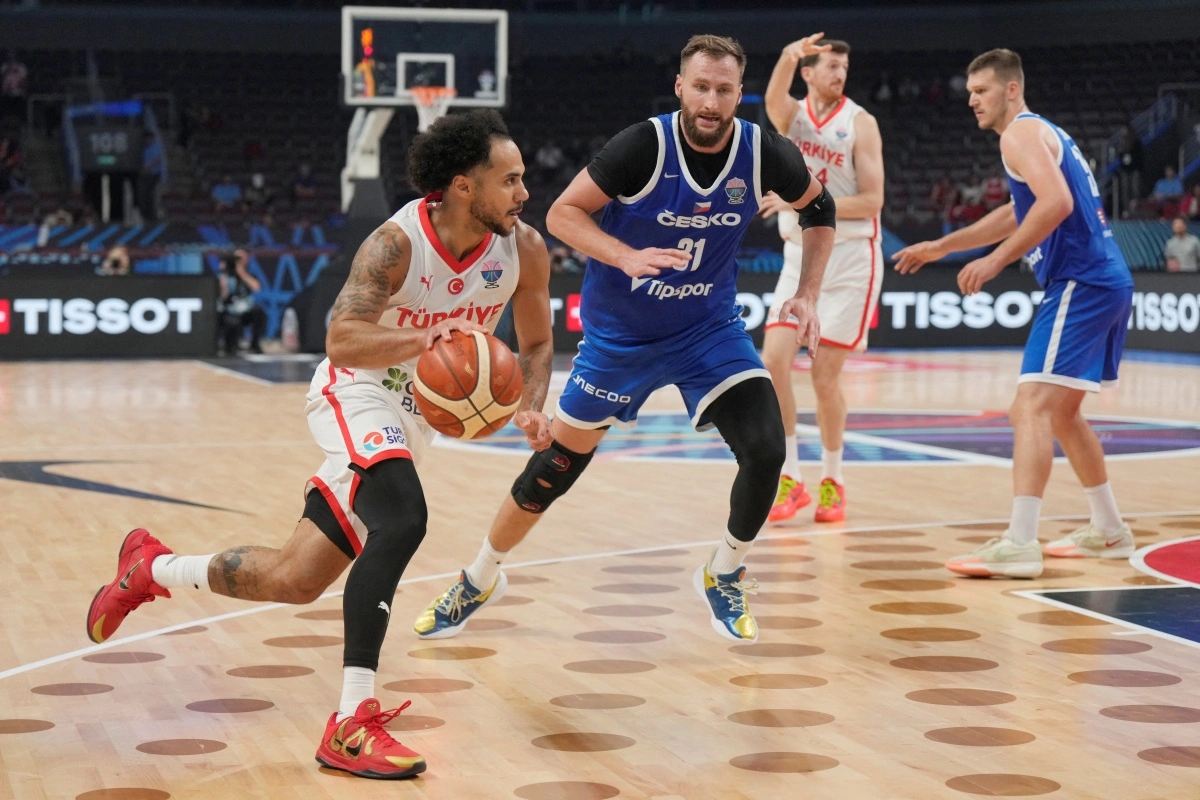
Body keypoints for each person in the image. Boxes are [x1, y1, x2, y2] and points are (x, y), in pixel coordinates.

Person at [85, 110, 554, 779]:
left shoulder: (523, 249)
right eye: (509, 180)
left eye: (522, 178)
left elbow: (536, 343)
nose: (524, 192)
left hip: (411, 420)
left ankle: (150, 568)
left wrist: (529, 406)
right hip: (355, 391)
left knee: (295, 579)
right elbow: (341, 339)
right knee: (404, 519)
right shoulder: (395, 243)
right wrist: (424, 338)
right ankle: (351, 723)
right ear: (462, 185)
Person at [412, 34, 834, 644]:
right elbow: (562, 213)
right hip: (620, 339)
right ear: (680, 87)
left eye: (723, 90)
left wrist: (808, 293)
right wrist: (624, 255)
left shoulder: (764, 151)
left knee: (767, 449)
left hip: (706, 330)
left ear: (739, 94)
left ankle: (724, 572)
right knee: (554, 468)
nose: (711, 102)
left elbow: (820, 210)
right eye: (700, 87)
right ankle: (479, 577)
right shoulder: (643, 146)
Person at [895, 49, 1135, 579]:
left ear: (1010, 89)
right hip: (1105, 278)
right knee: (1062, 414)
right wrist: (942, 246)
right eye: (969, 93)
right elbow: (1016, 212)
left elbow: (1056, 204)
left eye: (981, 91)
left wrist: (995, 261)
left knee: (1029, 409)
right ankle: (1110, 529)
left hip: (1082, 280)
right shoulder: (1040, 134)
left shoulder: (1019, 133)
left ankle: (1021, 543)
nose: (972, 101)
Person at [759, 35, 884, 524]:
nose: (840, 73)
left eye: (843, 66)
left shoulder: (861, 122)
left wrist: (802, 200)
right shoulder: (793, 117)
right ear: (808, 73)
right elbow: (774, 99)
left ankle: (833, 479)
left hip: (850, 259)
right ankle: (791, 478)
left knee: (823, 376)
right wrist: (787, 56)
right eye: (830, 65)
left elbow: (872, 201)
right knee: (773, 362)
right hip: (800, 256)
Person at [217, 249, 267, 354]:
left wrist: (241, 273)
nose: (239, 261)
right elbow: (222, 295)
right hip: (228, 309)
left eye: (242, 258)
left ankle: (254, 344)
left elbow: (256, 287)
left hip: (245, 310)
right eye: (237, 259)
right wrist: (224, 273)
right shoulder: (226, 275)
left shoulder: (248, 274)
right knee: (231, 320)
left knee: (259, 313)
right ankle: (230, 345)